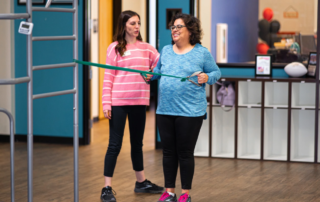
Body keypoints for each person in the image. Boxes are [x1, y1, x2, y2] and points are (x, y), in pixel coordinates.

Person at [151, 13, 221, 202]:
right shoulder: (165, 50)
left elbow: (216, 72)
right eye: (173, 27)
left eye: (178, 27)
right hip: (165, 110)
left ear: (190, 31)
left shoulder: (201, 52)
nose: (174, 30)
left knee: (184, 153)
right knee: (168, 152)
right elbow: (158, 72)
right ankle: (169, 192)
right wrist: (150, 75)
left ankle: (185, 194)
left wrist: (207, 77)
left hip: (190, 112)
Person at [100, 10, 164, 202]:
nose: (136, 27)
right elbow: (108, 77)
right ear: (124, 26)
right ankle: (107, 188)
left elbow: (161, 65)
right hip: (118, 102)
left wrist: (153, 74)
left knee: (137, 144)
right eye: (132, 24)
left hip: (139, 102)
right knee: (114, 145)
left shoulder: (147, 48)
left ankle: (141, 182)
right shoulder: (114, 48)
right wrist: (106, 102)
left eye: (138, 23)